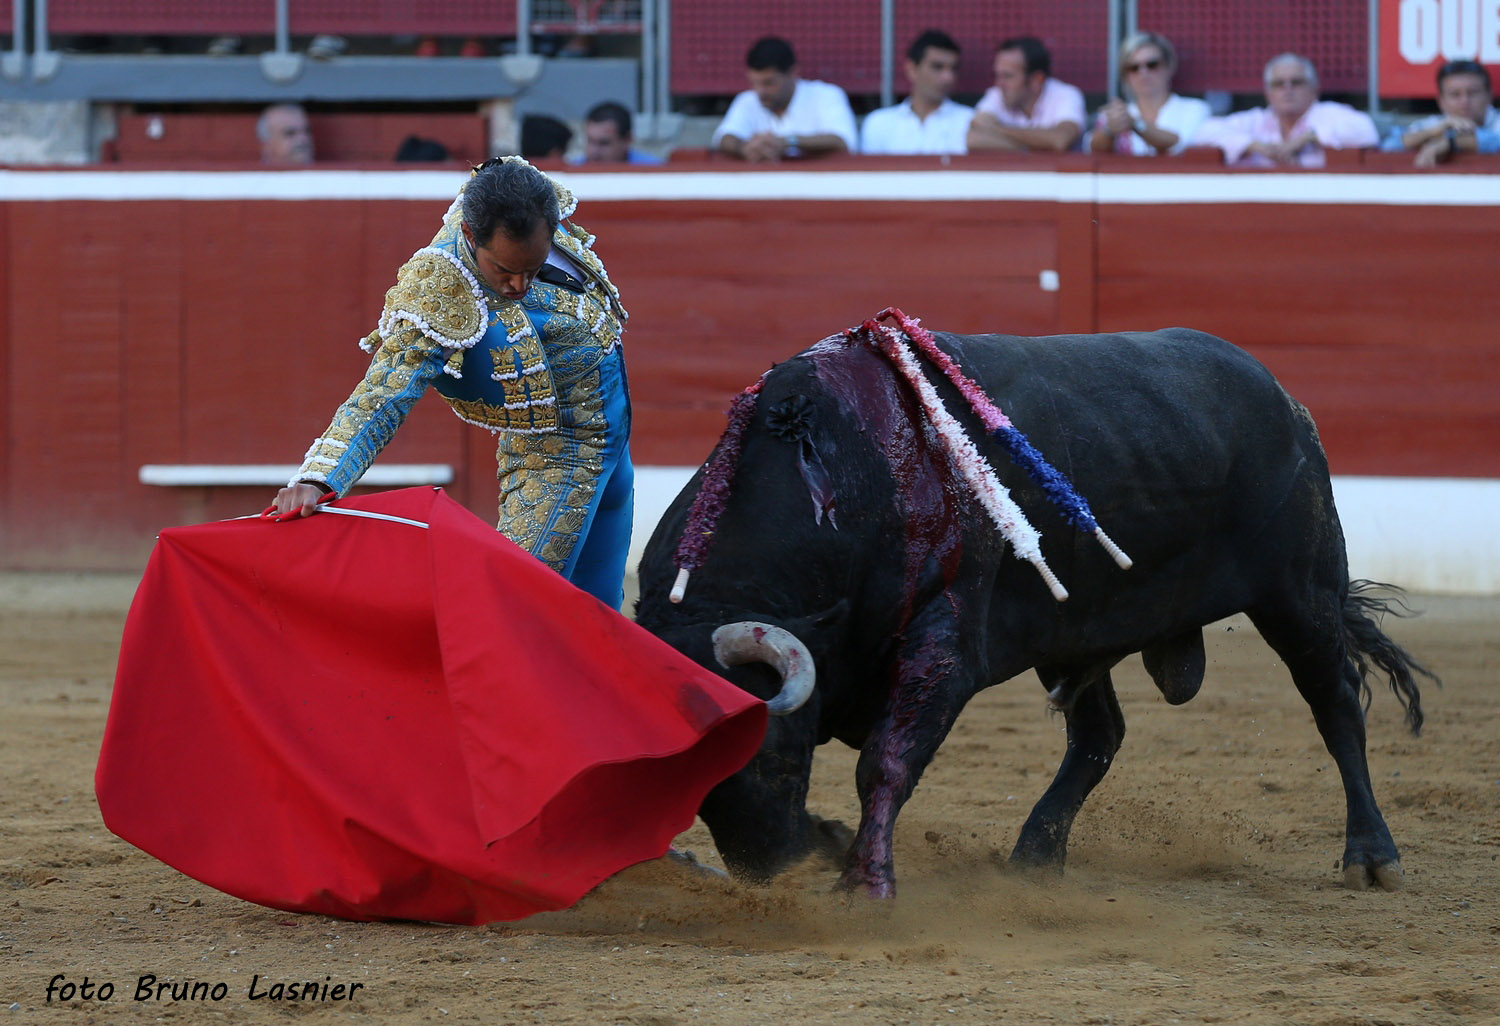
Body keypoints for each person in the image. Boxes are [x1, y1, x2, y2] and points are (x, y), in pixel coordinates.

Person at [269, 157, 634, 610]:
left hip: (615, 453)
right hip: (554, 463)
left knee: (602, 617)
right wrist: (319, 476)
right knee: (513, 613)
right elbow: (384, 392)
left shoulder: (533, 210)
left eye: (532, 267)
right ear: (469, 237)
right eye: (503, 270)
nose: (518, 283)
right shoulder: (441, 285)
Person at [1194, 53, 1378, 167]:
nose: (1287, 90)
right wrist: (1257, 146)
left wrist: (1306, 138)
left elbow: (1367, 131)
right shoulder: (1256, 120)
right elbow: (1201, 133)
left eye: (1296, 82)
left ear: (1315, 89)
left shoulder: (1328, 113)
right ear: (1267, 93)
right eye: (1278, 84)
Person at [711, 36, 858, 161]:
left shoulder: (826, 95)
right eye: (754, 83)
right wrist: (744, 148)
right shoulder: (747, 100)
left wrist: (789, 142)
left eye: (768, 83)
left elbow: (842, 141)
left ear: (793, 73)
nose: (760, 91)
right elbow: (724, 138)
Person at [1088, 31, 1210, 156]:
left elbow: (1179, 145)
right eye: (1133, 67)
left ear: (1169, 66)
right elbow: (1092, 149)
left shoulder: (1195, 109)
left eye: (1152, 65)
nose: (1143, 73)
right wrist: (1109, 130)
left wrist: (1136, 124)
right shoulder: (1115, 115)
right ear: (1125, 76)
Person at [859, 30, 973, 156]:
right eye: (937, 67)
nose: (948, 77)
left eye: (953, 68)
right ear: (912, 69)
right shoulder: (879, 124)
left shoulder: (970, 122)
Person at [966, 36, 1086, 152]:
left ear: (1036, 80)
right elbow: (974, 138)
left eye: (1008, 76)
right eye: (997, 75)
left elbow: (1060, 139)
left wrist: (996, 129)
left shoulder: (1066, 95)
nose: (999, 84)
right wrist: (1040, 146)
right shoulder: (997, 94)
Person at [1380, 59, 1500, 168]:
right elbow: (1388, 144)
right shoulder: (1437, 124)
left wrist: (1451, 143)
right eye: (1455, 94)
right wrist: (1434, 132)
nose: (1464, 101)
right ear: (1441, 101)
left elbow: (1496, 141)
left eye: (1472, 93)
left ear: (1489, 96)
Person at [580, 101, 664, 164]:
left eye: (604, 143)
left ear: (627, 140)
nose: (594, 152)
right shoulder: (571, 173)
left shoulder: (655, 172)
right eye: (590, 141)